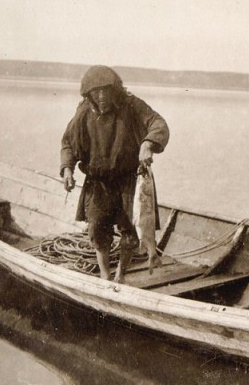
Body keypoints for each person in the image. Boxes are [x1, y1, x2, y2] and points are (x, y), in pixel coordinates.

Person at [60, 65, 169, 283]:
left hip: (129, 180)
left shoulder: (131, 105)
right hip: (98, 182)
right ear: (88, 94)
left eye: (106, 90)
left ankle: (120, 274)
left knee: (130, 230)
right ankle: (105, 274)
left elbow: (159, 124)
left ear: (115, 89)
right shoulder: (83, 112)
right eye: (95, 91)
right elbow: (68, 144)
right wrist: (67, 169)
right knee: (97, 228)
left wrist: (149, 143)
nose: (101, 97)